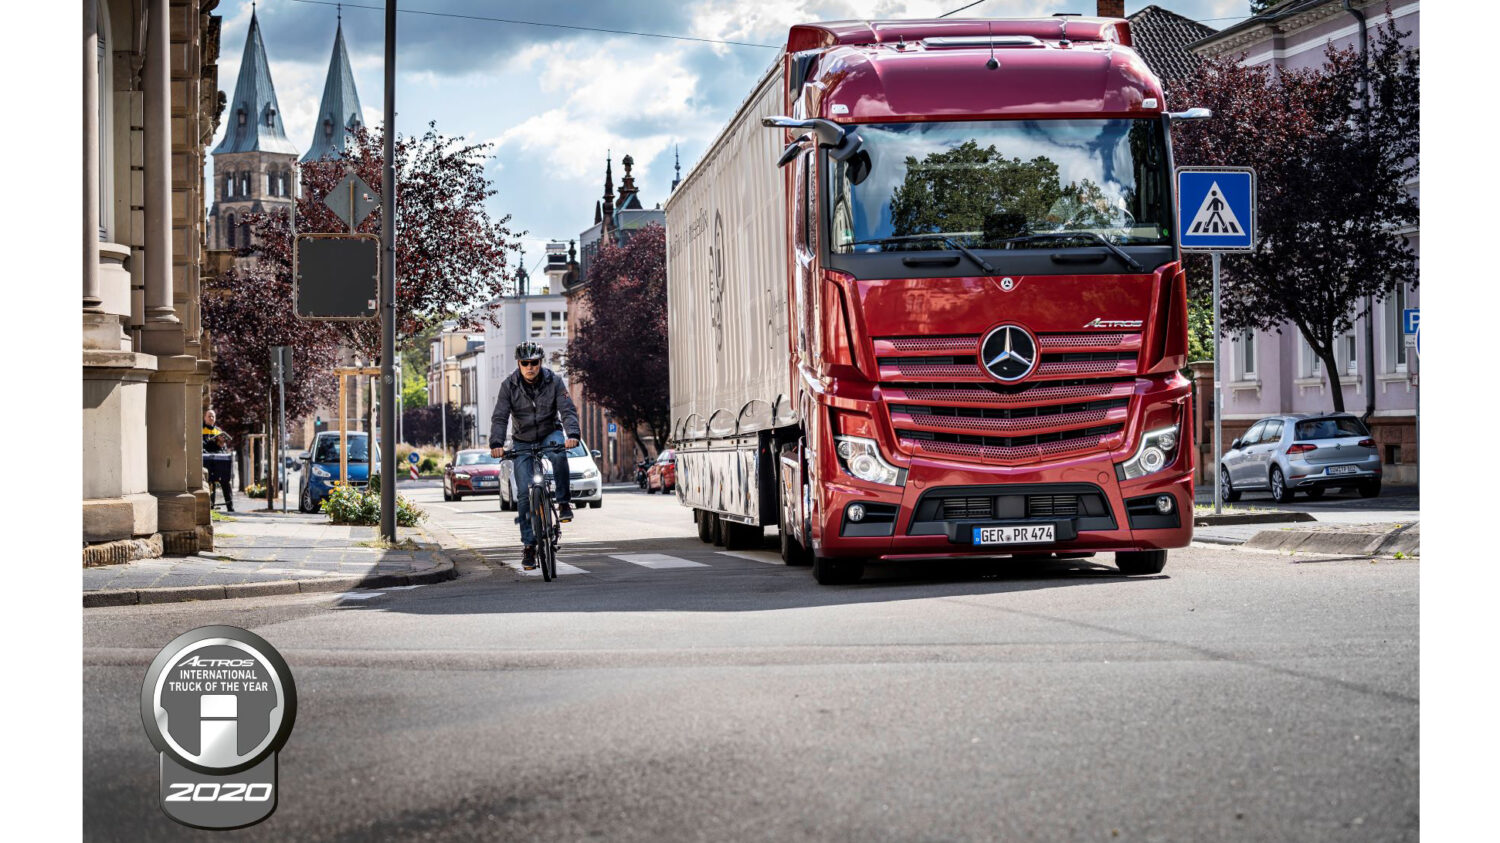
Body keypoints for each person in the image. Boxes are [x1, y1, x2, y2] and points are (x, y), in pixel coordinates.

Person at [489, 342, 581, 570]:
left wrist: (573, 434)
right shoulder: (508, 385)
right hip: (522, 439)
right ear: (519, 364)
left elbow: (567, 410)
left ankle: (563, 502)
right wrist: (497, 443)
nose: (530, 367)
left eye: (534, 363)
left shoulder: (554, 381)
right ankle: (529, 546)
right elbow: (500, 417)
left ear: (541, 362)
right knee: (522, 494)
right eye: (525, 363)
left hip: (550, 432)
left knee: (559, 455)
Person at [202, 409, 235, 512]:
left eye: (213, 416)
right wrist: (211, 444)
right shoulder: (200, 430)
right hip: (207, 460)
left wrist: (221, 444)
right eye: (209, 416)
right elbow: (201, 446)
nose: (211, 418)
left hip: (219, 460)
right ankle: (210, 507)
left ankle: (230, 506)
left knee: (225, 481)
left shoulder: (218, 431)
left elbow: (223, 448)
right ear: (205, 418)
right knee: (210, 482)